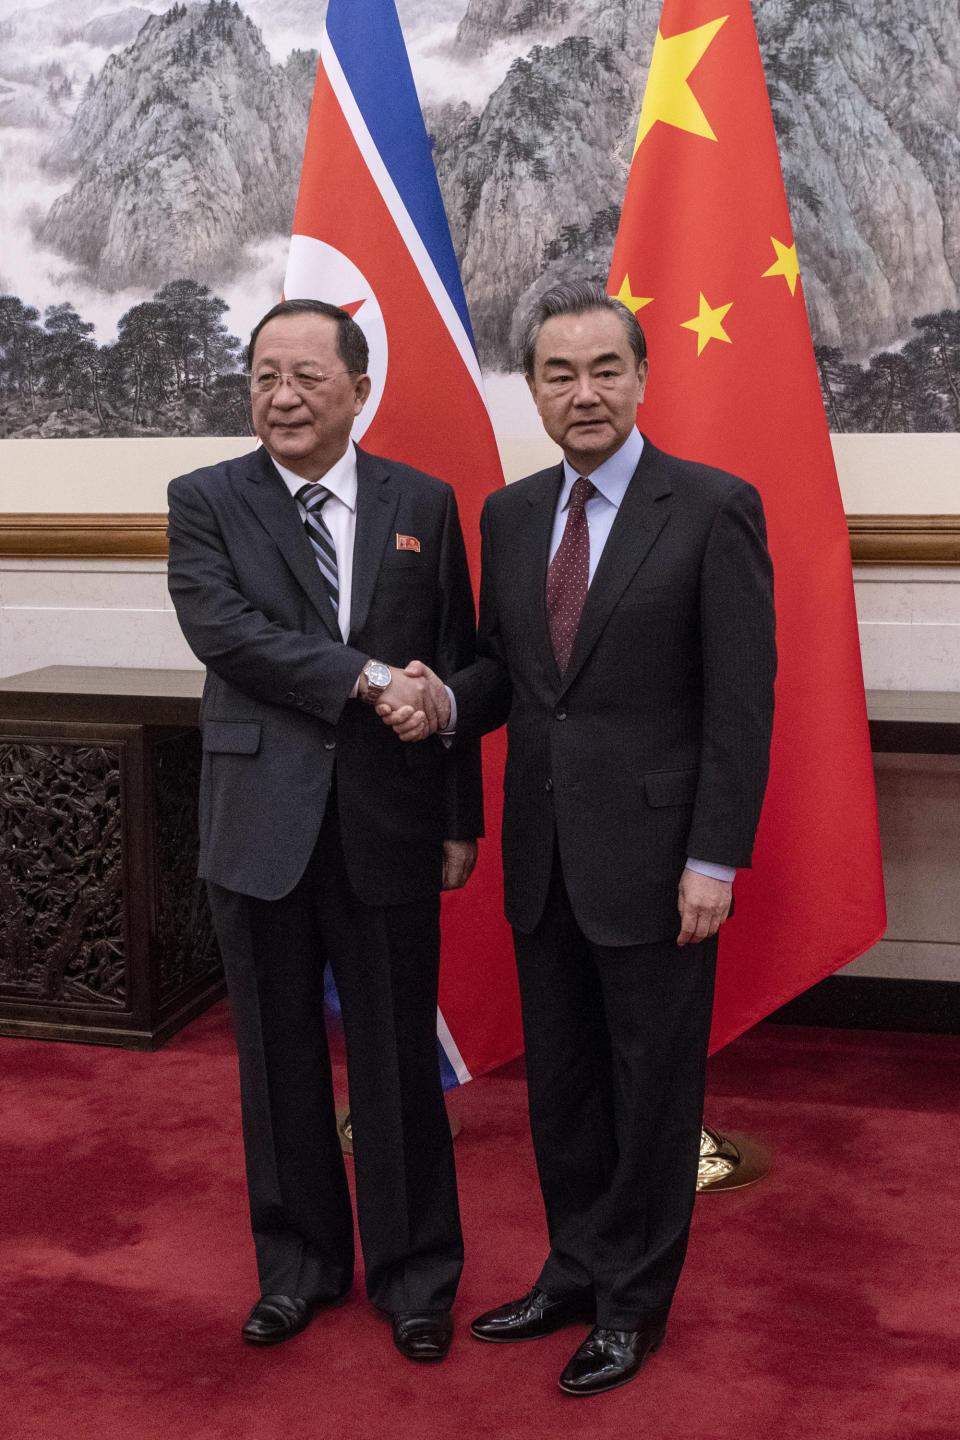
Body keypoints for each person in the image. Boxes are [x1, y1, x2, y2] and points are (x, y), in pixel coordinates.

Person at [379, 280, 776, 1395]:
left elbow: (741, 703)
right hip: (544, 853)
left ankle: (634, 1306)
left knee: (652, 1090)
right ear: (536, 392)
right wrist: (449, 701)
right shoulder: (509, 515)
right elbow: (514, 675)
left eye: (606, 369)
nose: (585, 392)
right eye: (560, 373)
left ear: (642, 379)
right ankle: (575, 1269)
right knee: (561, 1086)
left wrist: (713, 858)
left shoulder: (710, 507)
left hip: (659, 866)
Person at [166, 298, 480, 1363]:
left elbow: (455, 664)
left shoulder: (423, 503)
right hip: (259, 824)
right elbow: (230, 636)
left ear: (359, 387)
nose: (281, 395)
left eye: (305, 374)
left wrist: (458, 816)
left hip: (389, 825)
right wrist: (368, 677)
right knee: (276, 1056)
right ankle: (298, 1266)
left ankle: (416, 1275)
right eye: (262, 375)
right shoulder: (205, 499)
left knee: (398, 1062)